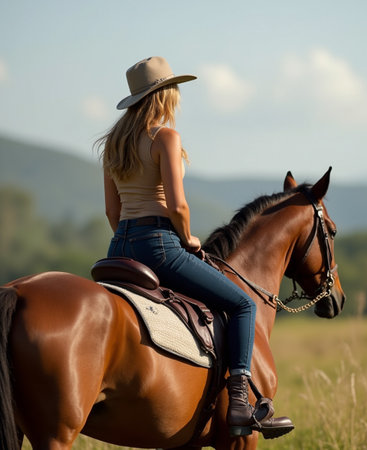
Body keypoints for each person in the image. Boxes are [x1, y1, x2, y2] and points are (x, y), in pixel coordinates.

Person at [97, 56, 292, 437]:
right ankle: (238, 404)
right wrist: (187, 238)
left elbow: (111, 209)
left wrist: (128, 239)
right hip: (160, 243)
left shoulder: (114, 144)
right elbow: (177, 205)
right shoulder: (165, 137)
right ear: (165, 95)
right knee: (242, 303)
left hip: (119, 246)